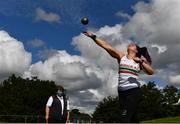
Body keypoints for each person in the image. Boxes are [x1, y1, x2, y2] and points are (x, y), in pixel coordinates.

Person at [83, 32, 154, 123]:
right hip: (121, 93)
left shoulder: (138, 62)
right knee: (133, 119)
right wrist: (93, 37)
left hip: (133, 91)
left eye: (134, 45)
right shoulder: (122, 57)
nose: (131, 44)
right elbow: (107, 46)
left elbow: (151, 72)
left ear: (136, 51)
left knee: (124, 118)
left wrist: (141, 62)